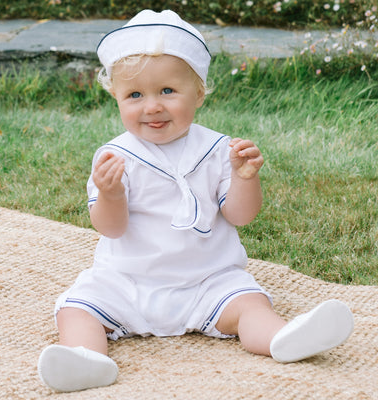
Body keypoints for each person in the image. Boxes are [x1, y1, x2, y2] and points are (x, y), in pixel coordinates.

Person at [37, 9, 354, 392]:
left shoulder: (220, 150)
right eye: (134, 95)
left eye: (167, 91)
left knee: (250, 303)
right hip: (127, 282)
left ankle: (281, 339)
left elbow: (240, 214)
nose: (151, 105)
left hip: (209, 280)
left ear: (199, 92)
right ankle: (86, 359)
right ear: (116, 98)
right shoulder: (115, 157)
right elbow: (111, 228)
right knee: (77, 308)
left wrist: (243, 178)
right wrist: (110, 193)